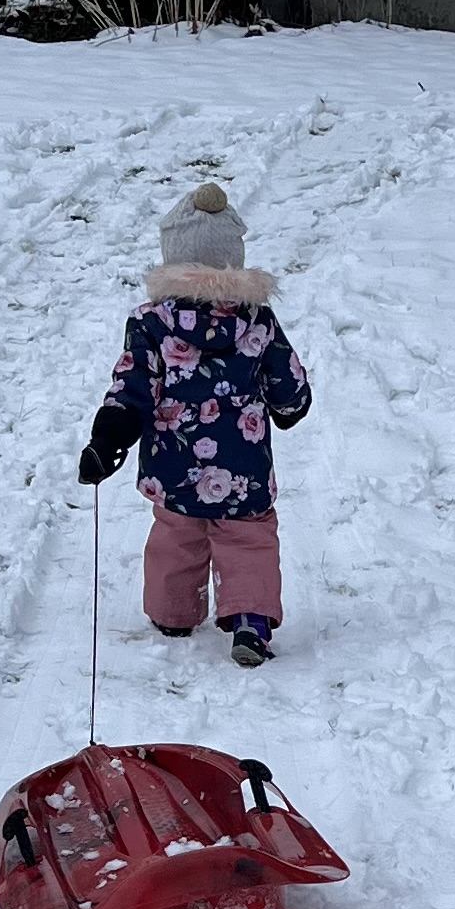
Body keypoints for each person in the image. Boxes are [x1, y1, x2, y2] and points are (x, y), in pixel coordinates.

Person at [77, 183, 311, 666]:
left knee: (175, 537)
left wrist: (108, 438)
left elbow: (131, 388)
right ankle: (250, 621)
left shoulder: (151, 325)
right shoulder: (258, 321)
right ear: (234, 260)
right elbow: (286, 384)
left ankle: (173, 613)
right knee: (248, 540)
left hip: (174, 465)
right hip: (242, 469)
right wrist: (290, 406)